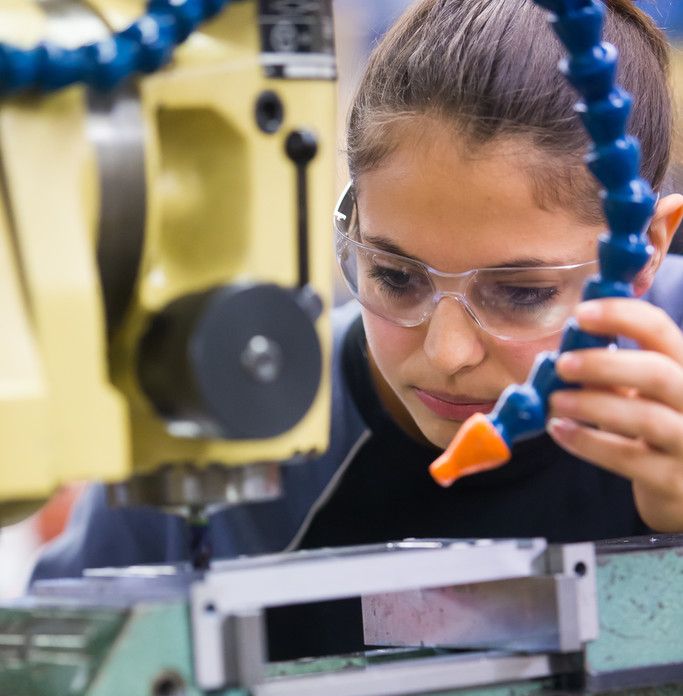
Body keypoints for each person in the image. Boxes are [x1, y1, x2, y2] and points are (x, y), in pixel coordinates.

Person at [33, 0, 683, 658]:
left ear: (647, 247)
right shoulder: (231, 412)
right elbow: (49, 670)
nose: (446, 352)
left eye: (521, 292)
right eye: (394, 277)